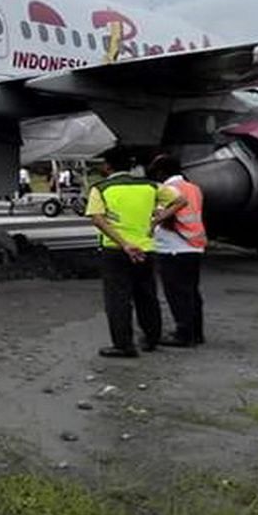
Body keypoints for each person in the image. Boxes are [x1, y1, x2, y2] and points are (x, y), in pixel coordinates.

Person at [85, 147, 184, 358]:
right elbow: (180, 201)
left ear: (107, 166)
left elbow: (97, 218)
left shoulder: (100, 188)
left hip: (116, 251)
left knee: (118, 299)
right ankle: (151, 339)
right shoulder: (150, 186)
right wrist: (157, 219)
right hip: (146, 249)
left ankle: (123, 345)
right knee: (147, 295)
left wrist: (124, 243)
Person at [148, 155, 207, 346]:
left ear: (162, 172)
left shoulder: (169, 190)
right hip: (194, 245)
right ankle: (196, 333)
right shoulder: (194, 188)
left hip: (173, 247)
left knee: (176, 293)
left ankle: (183, 334)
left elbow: (164, 216)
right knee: (191, 292)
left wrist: (152, 224)